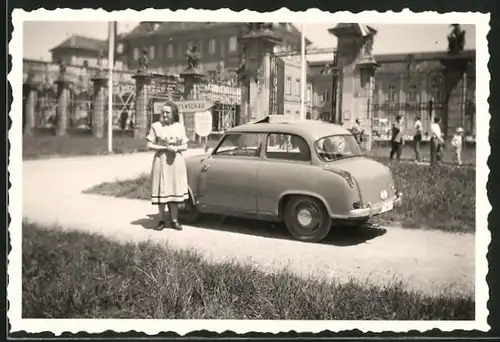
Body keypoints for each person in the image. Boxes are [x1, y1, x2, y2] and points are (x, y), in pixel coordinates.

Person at [146, 102, 190, 231]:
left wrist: (176, 148)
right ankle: (161, 220)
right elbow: (149, 145)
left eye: (168, 112)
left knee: (174, 189)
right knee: (162, 189)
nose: (165, 115)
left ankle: (174, 220)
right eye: (163, 112)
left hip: (176, 162)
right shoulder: (156, 126)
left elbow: (185, 145)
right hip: (161, 161)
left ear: (174, 114)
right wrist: (164, 147)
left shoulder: (180, 127)